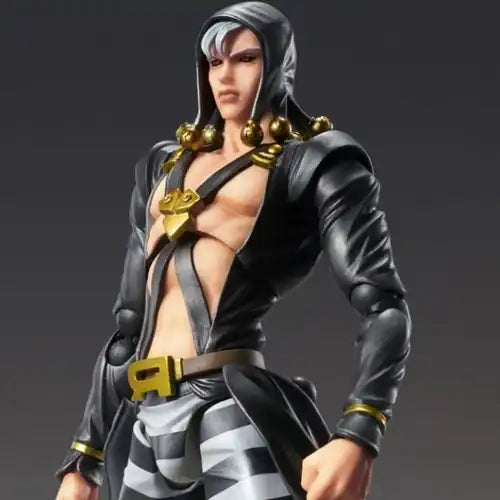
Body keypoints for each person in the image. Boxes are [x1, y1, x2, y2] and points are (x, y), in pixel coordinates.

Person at [55, 2, 412, 500]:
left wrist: (360, 430)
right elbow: (127, 333)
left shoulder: (311, 164)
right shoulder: (162, 169)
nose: (225, 76)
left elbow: (383, 306)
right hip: (145, 418)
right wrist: (85, 458)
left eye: (246, 59)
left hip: (227, 410)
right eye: (214, 61)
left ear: (279, 64)